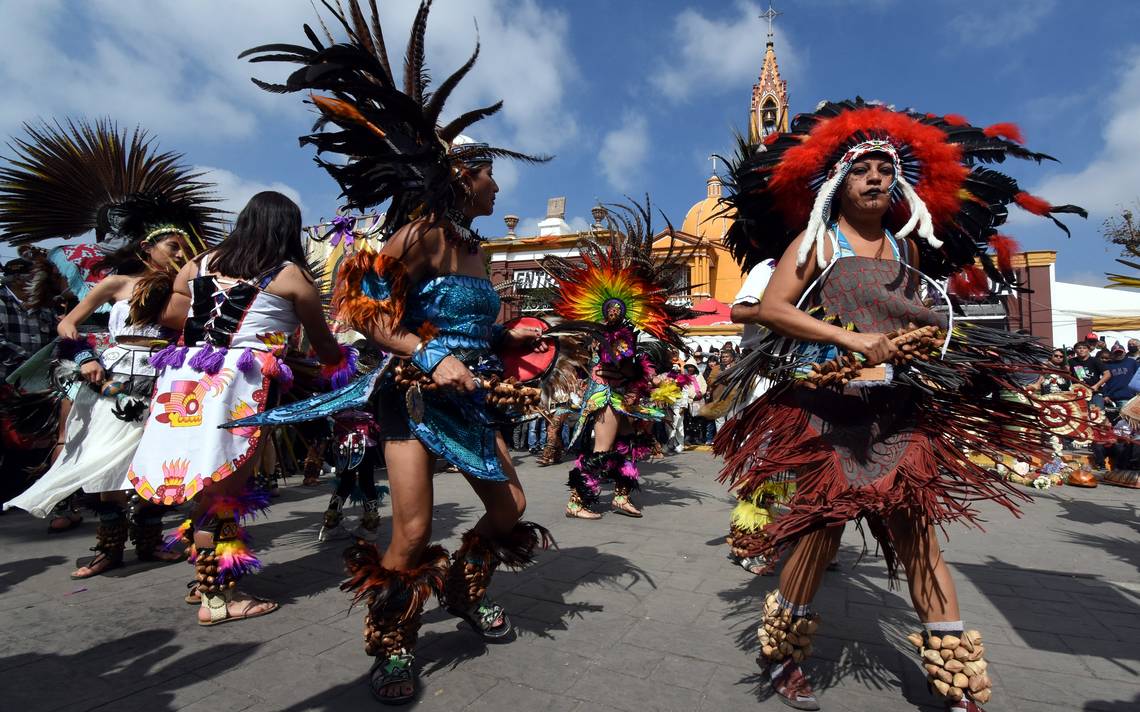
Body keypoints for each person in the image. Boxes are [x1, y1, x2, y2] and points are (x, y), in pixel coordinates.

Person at [714, 98, 1084, 711]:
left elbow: (923, 319)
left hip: (897, 410)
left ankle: (958, 678)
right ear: (837, 181)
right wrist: (847, 338)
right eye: (864, 168)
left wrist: (929, 349)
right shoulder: (816, 241)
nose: (878, 177)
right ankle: (781, 654)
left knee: (917, 534)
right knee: (820, 535)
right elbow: (773, 308)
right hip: (829, 409)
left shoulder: (909, 250)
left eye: (887, 169)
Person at [242, 2, 554, 703]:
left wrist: (508, 337)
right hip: (412, 394)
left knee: (510, 508)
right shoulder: (418, 236)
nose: (499, 185)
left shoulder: (477, 250)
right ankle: (391, 644)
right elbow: (362, 309)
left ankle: (464, 587)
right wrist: (427, 350)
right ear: (462, 175)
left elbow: (474, 329)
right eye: (489, 175)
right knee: (411, 532)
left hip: (468, 397)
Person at [1, 120, 219, 579]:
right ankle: (108, 550)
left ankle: (150, 542)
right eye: (172, 247)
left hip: (161, 381)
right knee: (102, 465)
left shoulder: (183, 290)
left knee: (149, 464)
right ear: (148, 246)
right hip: (111, 380)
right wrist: (86, 359)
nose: (179, 255)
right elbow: (66, 323)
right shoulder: (116, 283)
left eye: (183, 248)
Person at [129, 190, 351, 624]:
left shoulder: (198, 264)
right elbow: (325, 347)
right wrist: (337, 367)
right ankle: (219, 597)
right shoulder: (292, 277)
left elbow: (175, 317)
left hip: (183, 380)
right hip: (240, 386)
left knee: (205, 481)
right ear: (288, 230)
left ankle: (203, 579)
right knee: (226, 492)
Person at [542, 203, 692, 521]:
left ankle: (621, 497)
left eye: (618, 311)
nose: (614, 314)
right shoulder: (605, 338)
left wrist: (651, 378)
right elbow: (623, 366)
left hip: (622, 393)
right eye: (610, 310)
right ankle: (577, 500)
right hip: (606, 393)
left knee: (628, 445)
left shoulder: (626, 335)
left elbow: (631, 365)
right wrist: (649, 379)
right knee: (603, 448)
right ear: (604, 312)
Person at [1069, 341, 1109, 407]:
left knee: (1098, 413)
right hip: (1078, 394)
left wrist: (1096, 385)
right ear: (1075, 350)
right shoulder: (1071, 361)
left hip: (1094, 393)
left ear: (1088, 350)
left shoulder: (1095, 360)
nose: (1081, 350)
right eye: (1079, 348)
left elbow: (1107, 374)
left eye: (1084, 348)